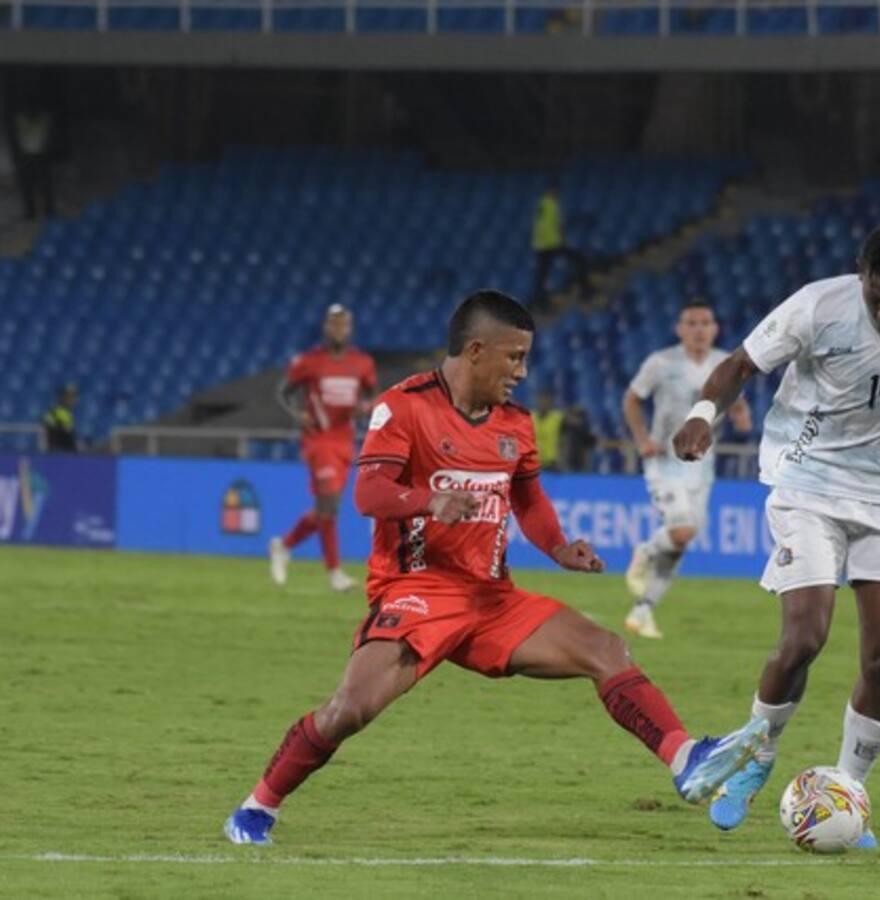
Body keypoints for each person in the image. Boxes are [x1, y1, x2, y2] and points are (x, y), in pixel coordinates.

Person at [224, 290, 768, 845]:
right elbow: (368, 492)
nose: (522, 372)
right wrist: (429, 500)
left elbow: (528, 500)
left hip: (491, 598)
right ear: (476, 350)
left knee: (606, 649)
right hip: (418, 592)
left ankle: (684, 758)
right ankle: (256, 807)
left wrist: (558, 548)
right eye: (514, 357)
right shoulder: (405, 406)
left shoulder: (515, 424)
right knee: (349, 710)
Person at [673, 223, 880, 846]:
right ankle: (757, 757)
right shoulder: (818, 306)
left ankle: (847, 793)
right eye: (878, 297)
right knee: (805, 636)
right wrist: (702, 415)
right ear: (860, 275)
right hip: (807, 481)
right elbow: (739, 364)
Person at [622, 302, 752, 639]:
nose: (699, 329)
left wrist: (740, 414)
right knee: (681, 532)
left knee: (682, 543)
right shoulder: (661, 362)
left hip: (701, 465)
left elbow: (734, 399)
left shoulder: (724, 363)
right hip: (664, 461)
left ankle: (642, 611)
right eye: (691, 323)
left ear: (715, 329)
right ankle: (646, 551)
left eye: (705, 323)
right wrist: (642, 440)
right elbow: (632, 398)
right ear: (680, 329)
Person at [270, 304, 377, 593]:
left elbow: (371, 394)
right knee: (329, 503)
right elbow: (283, 392)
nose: (339, 329)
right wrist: (298, 414)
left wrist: (365, 406)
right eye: (334, 324)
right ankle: (334, 573)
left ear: (350, 329)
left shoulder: (362, 363)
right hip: (319, 439)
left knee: (327, 508)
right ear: (325, 327)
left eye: (344, 324)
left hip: (345, 440)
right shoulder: (309, 362)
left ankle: (284, 545)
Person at [531, 182, 589, 310]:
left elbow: (545, 224)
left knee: (542, 275)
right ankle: (585, 290)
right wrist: (562, 239)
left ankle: (538, 301)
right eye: (556, 191)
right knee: (578, 260)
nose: (557, 194)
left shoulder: (543, 203)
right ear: (552, 190)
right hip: (550, 244)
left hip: (544, 244)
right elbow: (554, 225)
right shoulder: (550, 204)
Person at [531, 390, 564, 473]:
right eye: (541, 400)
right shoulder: (529, 417)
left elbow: (564, 441)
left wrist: (561, 460)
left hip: (553, 464)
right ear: (537, 401)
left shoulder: (559, 419)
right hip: (534, 462)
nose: (544, 403)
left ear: (551, 402)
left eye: (546, 401)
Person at [559, 404, 597, 472]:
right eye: (572, 416)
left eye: (577, 417)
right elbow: (561, 446)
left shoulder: (585, 431)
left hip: (581, 466)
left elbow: (592, 442)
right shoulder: (565, 430)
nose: (574, 419)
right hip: (566, 466)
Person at [42, 383, 77, 452]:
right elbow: (48, 423)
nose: (71, 400)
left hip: (70, 451)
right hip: (58, 452)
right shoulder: (53, 413)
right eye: (68, 396)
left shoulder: (70, 414)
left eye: (73, 397)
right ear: (61, 397)